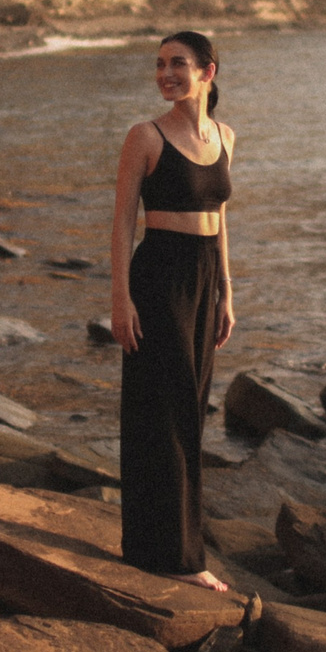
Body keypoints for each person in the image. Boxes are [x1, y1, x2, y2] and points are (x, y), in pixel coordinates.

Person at [108, 30, 234, 591]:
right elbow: (121, 224)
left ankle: (156, 546)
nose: (166, 74)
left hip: (205, 276)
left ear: (207, 72)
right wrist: (120, 298)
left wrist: (227, 292)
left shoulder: (225, 137)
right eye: (160, 64)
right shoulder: (146, 136)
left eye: (177, 63)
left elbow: (220, 218)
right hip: (159, 275)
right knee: (162, 411)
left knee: (191, 410)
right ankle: (179, 557)